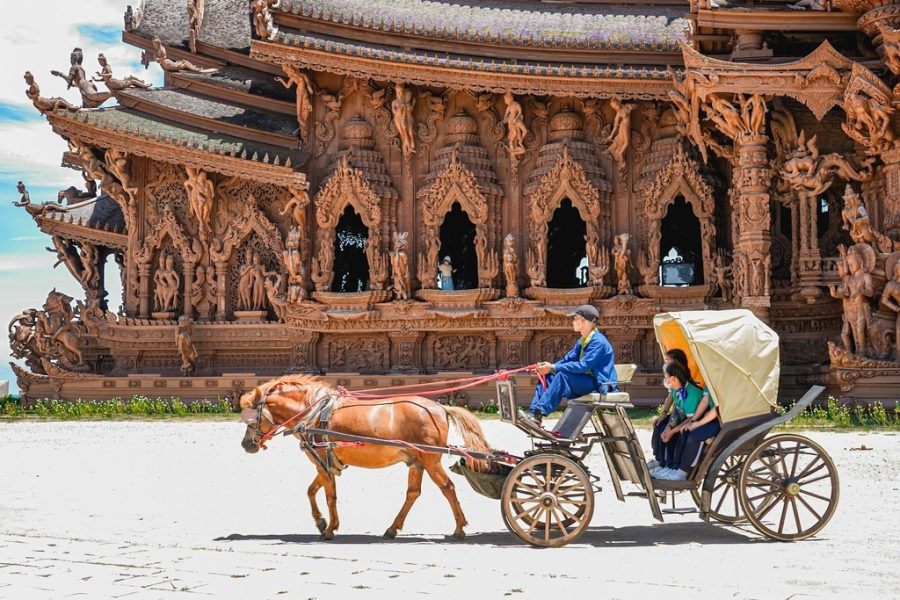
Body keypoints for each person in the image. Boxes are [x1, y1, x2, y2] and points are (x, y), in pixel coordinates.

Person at [521, 304, 617, 425]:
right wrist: (547, 368)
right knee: (549, 375)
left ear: (583, 321)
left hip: (598, 383)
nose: (573, 321)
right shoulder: (582, 340)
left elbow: (583, 366)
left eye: (575, 318)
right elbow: (567, 360)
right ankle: (533, 411)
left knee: (562, 376)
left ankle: (539, 412)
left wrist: (553, 367)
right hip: (585, 381)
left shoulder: (598, 342)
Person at [650, 361, 719, 481]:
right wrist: (671, 426)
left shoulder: (693, 392)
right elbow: (704, 401)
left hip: (719, 420)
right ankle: (669, 466)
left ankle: (682, 471)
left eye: (666, 377)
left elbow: (716, 409)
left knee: (692, 435)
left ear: (673, 378)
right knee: (675, 430)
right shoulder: (709, 383)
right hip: (707, 417)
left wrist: (695, 422)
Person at [648, 348, 694, 471]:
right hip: (679, 414)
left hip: (688, 416)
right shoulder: (674, 383)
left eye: (668, 360)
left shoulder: (685, 383)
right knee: (660, 425)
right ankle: (660, 460)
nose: (666, 363)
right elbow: (674, 401)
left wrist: (672, 428)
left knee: (674, 433)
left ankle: (671, 464)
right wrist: (665, 416)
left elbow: (689, 414)